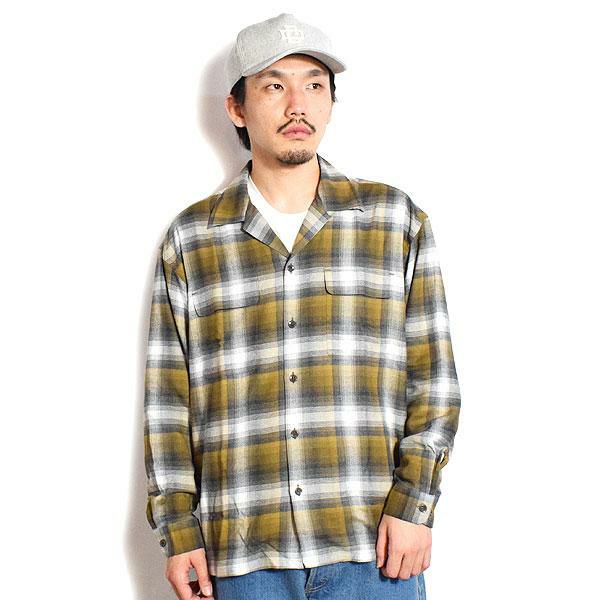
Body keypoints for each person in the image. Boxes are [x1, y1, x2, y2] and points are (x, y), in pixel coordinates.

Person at [143, 12, 461, 600]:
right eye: (274, 85)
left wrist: (416, 504)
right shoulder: (192, 239)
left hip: (373, 552)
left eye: (315, 85)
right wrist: (178, 530)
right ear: (237, 108)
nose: (298, 105)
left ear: (331, 102)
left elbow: (434, 381)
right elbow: (168, 401)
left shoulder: (394, 221)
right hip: (243, 558)